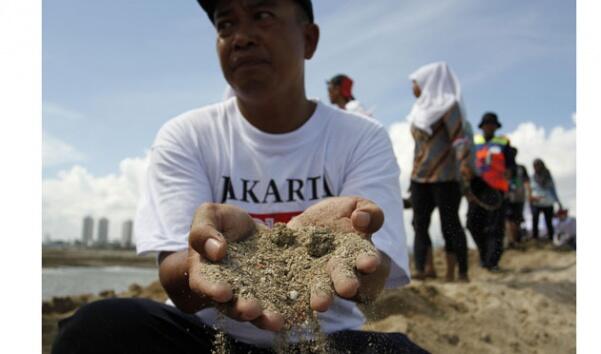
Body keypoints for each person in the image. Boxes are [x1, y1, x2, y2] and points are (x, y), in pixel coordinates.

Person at [51, 1, 427, 353]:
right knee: (97, 328)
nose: (241, 36)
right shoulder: (187, 135)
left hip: (321, 341)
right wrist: (210, 258)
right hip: (202, 337)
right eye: (226, 24)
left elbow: (372, 279)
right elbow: (175, 277)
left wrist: (351, 251)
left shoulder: (361, 137)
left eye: (262, 15)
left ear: (308, 39)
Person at [405, 62, 473, 282]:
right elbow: (418, 147)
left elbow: (459, 138)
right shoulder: (418, 110)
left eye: (415, 82)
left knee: (450, 223)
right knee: (419, 223)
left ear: (428, 82)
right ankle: (423, 269)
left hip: (445, 176)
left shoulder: (448, 106)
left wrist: (463, 163)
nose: (413, 87)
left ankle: (458, 271)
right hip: (419, 177)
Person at [467, 112, 515, 272]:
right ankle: (484, 254)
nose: (489, 127)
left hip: (497, 191)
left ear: (496, 126)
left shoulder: (504, 142)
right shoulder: (474, 142)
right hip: (477, 190)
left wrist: (509, 177)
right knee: (473, 224)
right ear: (482, 126)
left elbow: (511, 166)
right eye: (487, 124)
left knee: (495, 228)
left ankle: (492, 262)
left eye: (492, 124)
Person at [504, 147, 531, 248]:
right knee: (511, 218)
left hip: (517, 197)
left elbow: (526, 181)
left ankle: (514, 240)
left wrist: (529, 193)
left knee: (513, 218)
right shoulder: (505, 168)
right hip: (511, 196)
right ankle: (513, 240)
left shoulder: (520, 168)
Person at [530, 158, 562, 240]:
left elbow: (553, 190)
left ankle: (551, 238)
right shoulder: (532, 177)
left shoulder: (548, 177)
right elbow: (529, 189)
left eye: (537, 165)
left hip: (547, 202)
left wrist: (558, 202)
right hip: (535, 202)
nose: (535, 167)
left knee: (549, 221)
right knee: (535, 220)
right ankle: (535, 238)